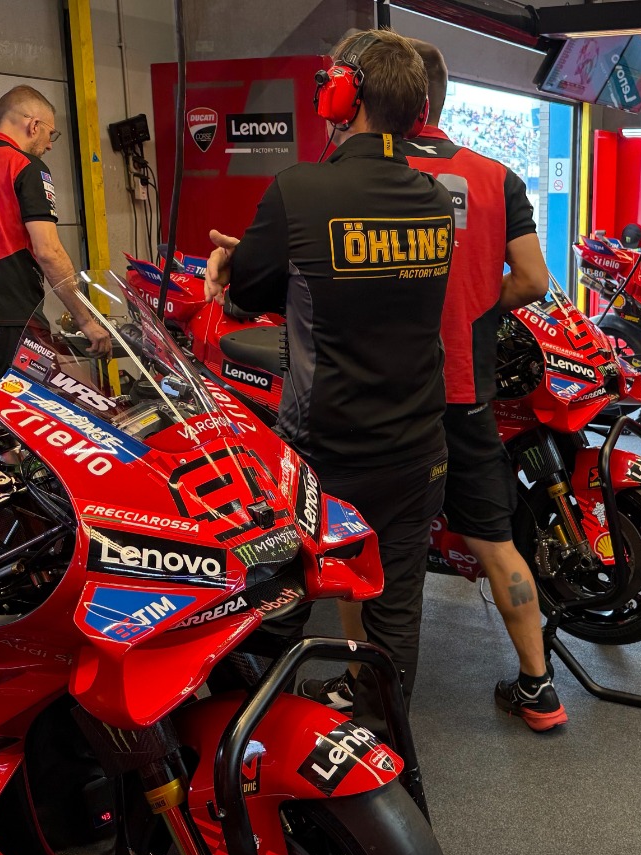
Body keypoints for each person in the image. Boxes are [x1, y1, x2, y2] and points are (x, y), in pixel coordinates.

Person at [299, 37, 560, 730]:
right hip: (464, 388)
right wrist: (479, 305)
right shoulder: (496, 176)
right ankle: (539, 687)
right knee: (495, 539)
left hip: (384, 400)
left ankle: (364, 688)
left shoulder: (350, 173)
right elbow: (533, 279)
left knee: (365, 546)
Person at [204, 29, 454, 715]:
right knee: (395, 605)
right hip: (416, 447)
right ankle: (381, 735)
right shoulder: (435, 202)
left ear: (346, 95)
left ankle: (255, 744)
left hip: (323, 454)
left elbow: (250, 295)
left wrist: (236, 263)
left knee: (277, 602)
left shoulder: (298, 191)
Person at [0, 85, 109, 410]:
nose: (49, 146)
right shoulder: (25, 166)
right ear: (34, 125)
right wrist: (85, 320)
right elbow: (48, 251)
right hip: (8, 319)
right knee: (31, 429)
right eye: (50, 135)